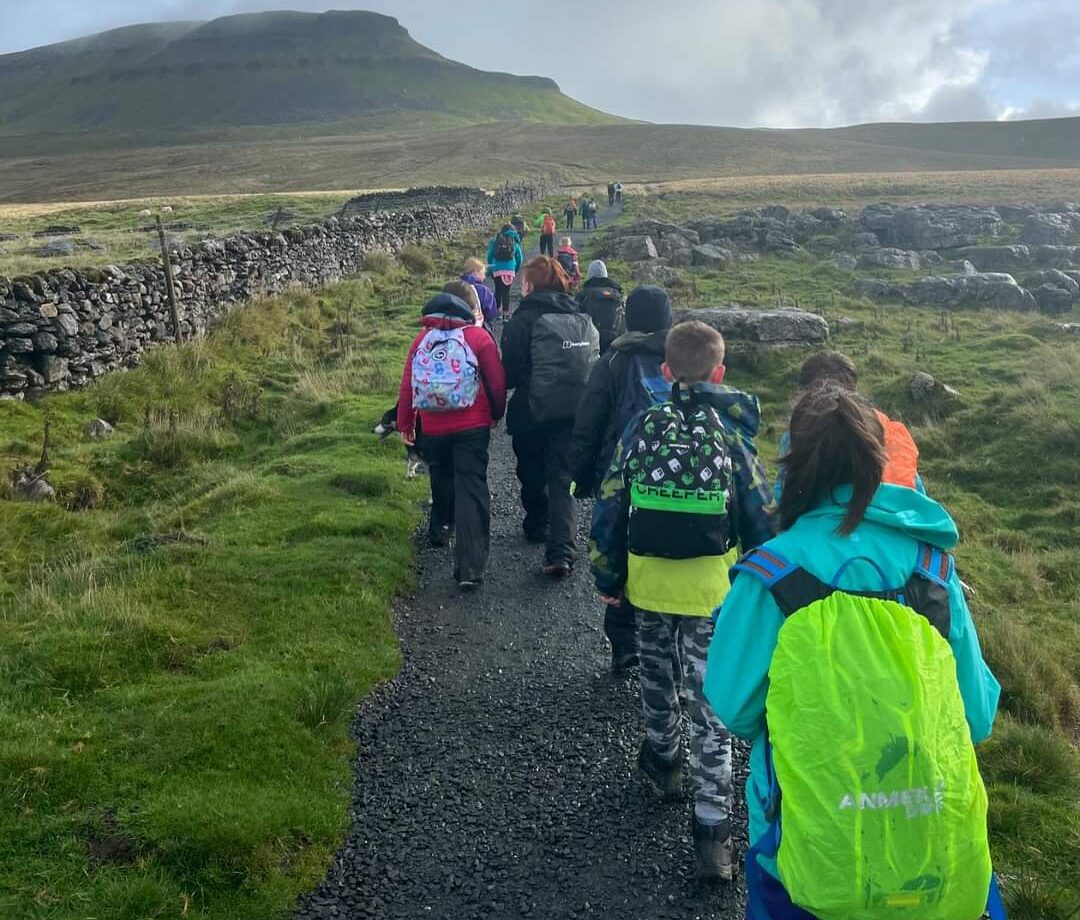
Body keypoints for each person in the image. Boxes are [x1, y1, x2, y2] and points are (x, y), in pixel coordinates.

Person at [705, 382, 1002, 918]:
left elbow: (734, 705)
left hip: (806, 845)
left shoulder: (771, 572)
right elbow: (976, 717)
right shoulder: (932, 569)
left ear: (793, 465)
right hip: (932, 846)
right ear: (878, 459)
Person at [590, 320, 775, 882]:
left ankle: (664, 763)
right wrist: (760, 585)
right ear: (720, 373)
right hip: (711, 594)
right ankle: (713, 832)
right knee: (710, 706)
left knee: (655, 679)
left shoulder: (642, 427)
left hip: (648, 585)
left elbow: (610, 503)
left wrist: (608, 575)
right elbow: (760, 513)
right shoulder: (731, 434)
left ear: (665, 372)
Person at [571, 284, 673, 672]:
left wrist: (581, 476)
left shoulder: (614, 360)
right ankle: (671, 636)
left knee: (622, 548)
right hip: (678, 477)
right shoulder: (685, 357)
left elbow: (589, 421)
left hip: (622, 476)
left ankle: (625, 643)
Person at [397, 291, 507, 590]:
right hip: (472, 425)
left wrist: (406, 424)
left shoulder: (421, 340)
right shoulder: (477, 338)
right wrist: (496, 413)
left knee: (442, 477)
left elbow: (408, 386)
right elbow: (497, 381)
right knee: (471, 487)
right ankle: (469, 568)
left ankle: (439, 530)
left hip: (433, 426)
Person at [502, 256, 599, 577]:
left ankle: (536, 523)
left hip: (531, 412)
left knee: (530, 471)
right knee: (562, 478)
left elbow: (510, 374)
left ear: (530, 284)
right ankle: (561, 552)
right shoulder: (580, 314)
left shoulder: (521, 320)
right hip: (573, 411)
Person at [775, 350, 924, 498]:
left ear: (803, 394)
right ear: (854, 391)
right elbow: (918, 496)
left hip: (830, 517)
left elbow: (784, 493)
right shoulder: (894, 433)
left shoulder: (799, 434)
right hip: (898, 516)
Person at [576, 260, 625, 354]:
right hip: (615, 346)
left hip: (589, 345)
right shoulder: (617, 295)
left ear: (589, 276)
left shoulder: (583, 295)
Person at [486, 224, 524, 320]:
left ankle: (497, 312)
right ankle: (505, 315)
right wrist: (516, 268)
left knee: (498, 291)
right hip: (510, 270)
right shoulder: (514, 242)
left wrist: (490, 267)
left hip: (497, 269)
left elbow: (490, 255)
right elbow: (519, 258)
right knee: (506, 292)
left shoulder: (496, 241)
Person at [461, 258, 498, 328]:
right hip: (476, 327)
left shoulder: (454, 286)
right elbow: (491, 313)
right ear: (475, 272)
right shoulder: (483, 290)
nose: (484, 277)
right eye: (483, 273)